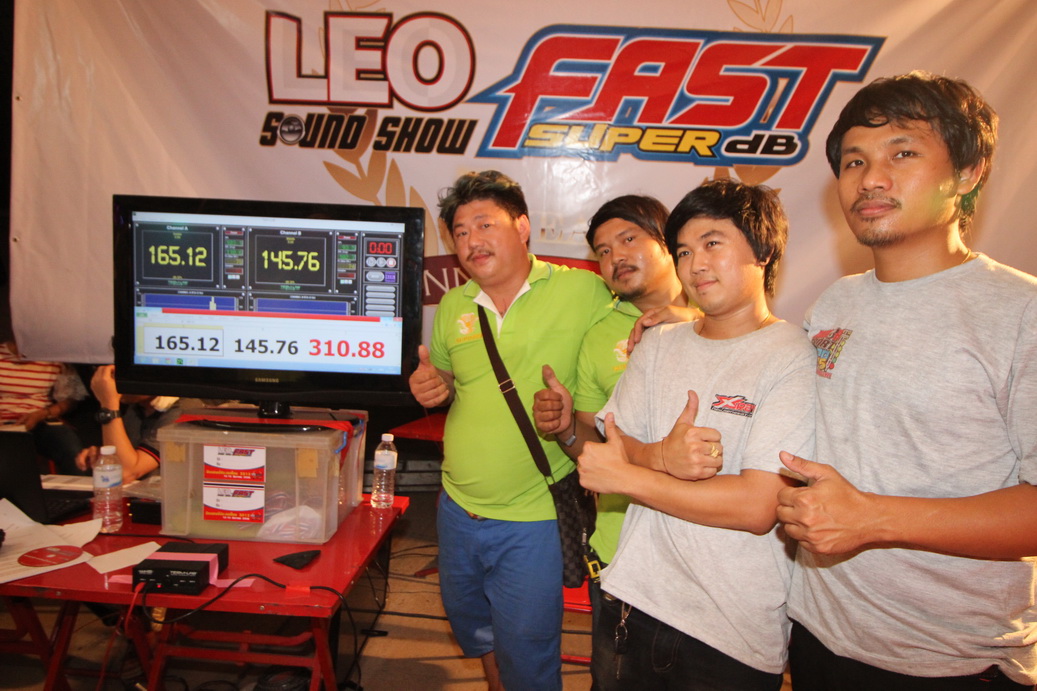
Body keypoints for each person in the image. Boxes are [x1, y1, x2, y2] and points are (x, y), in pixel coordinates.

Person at [776, 71, 1037, 689]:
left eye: (903, 153)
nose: (870, 178)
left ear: (967, 174)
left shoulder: (1020, 312)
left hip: (950, 659)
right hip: (818, 636)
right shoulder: (835, 302)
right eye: (854, 161)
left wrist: (873, 518)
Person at [577, 179, 815, 689]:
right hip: (633, 601)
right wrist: (661, 456)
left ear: (763, 251)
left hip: (729, 628)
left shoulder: (792, 355)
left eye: (712, 243)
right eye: (684, 251)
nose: (696, 264)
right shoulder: (659, 343)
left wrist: (632, 476)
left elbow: (757, 506)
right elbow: (614, 446)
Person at [408, 170, 612, 690]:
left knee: (528, 651)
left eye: (485, 224)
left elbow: (644, 305)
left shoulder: (583, 290)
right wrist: (434, 386)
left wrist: (664, 315)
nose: (472, 241)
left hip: (532, 519)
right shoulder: (454, 305)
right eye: (460, 232)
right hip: (456, 510)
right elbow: (450, 381)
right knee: (474, 629)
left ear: (522, 227)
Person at [531, 195, 696, 623]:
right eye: (603, 251)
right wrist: (566, 428)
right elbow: (592, 442)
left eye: (628, 239)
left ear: (668, 242)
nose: (615, 257)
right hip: (619, 548)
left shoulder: (722, 315)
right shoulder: (599, 336)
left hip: (705, 552)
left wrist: (695, 321)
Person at [0, 338, 88, 474]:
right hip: (4, 423)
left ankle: (79, 485)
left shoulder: (53, 358)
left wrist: (43, 414)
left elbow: (71, 399)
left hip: (40, 420)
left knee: (69, 446)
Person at [75, 365, 166, 483]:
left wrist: (108, 405)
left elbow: (125, 473)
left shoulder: (181, 411)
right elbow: (129, 459)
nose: (113, 384)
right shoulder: (136, 408)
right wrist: (105, 455)